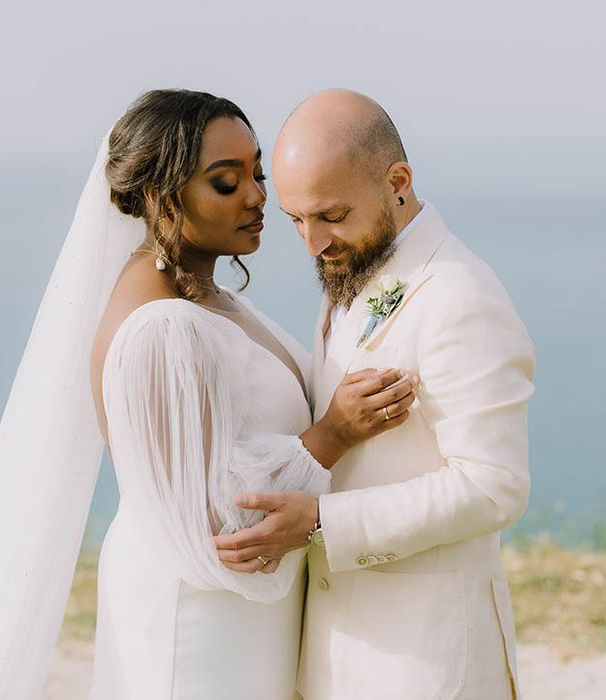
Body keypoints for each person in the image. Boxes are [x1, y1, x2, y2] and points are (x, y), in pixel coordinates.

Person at [0, 89, 415, 700]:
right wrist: (333, 434)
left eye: (257, 172)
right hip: (196, 626)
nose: (258, 195)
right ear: (164, 196)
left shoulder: (205, 297)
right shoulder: (161, 327)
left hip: (240, 622)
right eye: (225, 181)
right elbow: (217, 523)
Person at [214, 88, 536, 700]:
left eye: (331, 216)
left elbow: (494, 485)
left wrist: (320, 523)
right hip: (340, 655)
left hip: (427, 663)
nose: (313, 243)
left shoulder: (460, 297)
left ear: (397, 182)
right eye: (296, 220)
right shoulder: (355, 267)